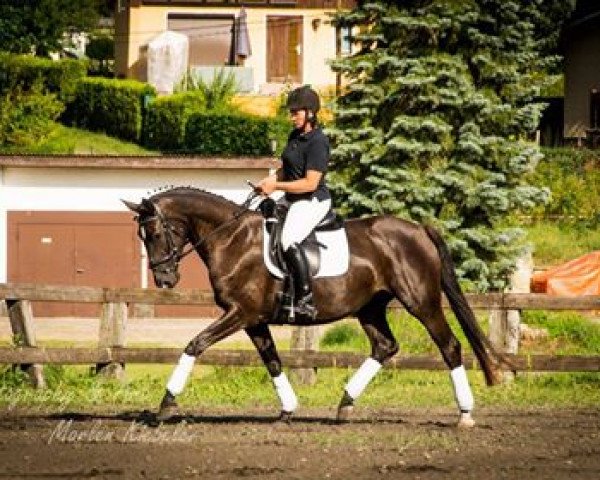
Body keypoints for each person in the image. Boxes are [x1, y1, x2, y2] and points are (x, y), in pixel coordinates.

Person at [256, 85, 332, 320]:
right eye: (291, 112)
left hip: (312, 200)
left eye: (295, 112)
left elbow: (310, 183)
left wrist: (276, 187)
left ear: (310, 112)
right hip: (292, 198)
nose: (291, 117)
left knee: (289, 240)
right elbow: (287, 170)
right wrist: (268, 181)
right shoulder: (295, 137)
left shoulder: (319, 142)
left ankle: (305, 298)